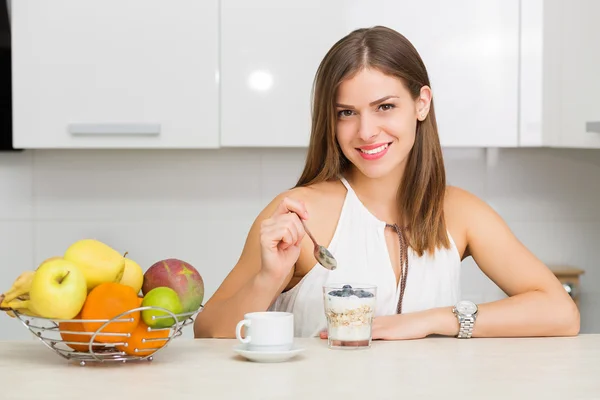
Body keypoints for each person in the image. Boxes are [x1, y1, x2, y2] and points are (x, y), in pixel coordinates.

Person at [194, 25, 579, 340]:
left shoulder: (459, 212)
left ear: (421, 104)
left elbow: (560, 312)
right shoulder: (301, 213)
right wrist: (269, 278)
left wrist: (430, 320)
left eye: (385, 107)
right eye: (347, 112)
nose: (366, 131)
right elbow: (208, 333)